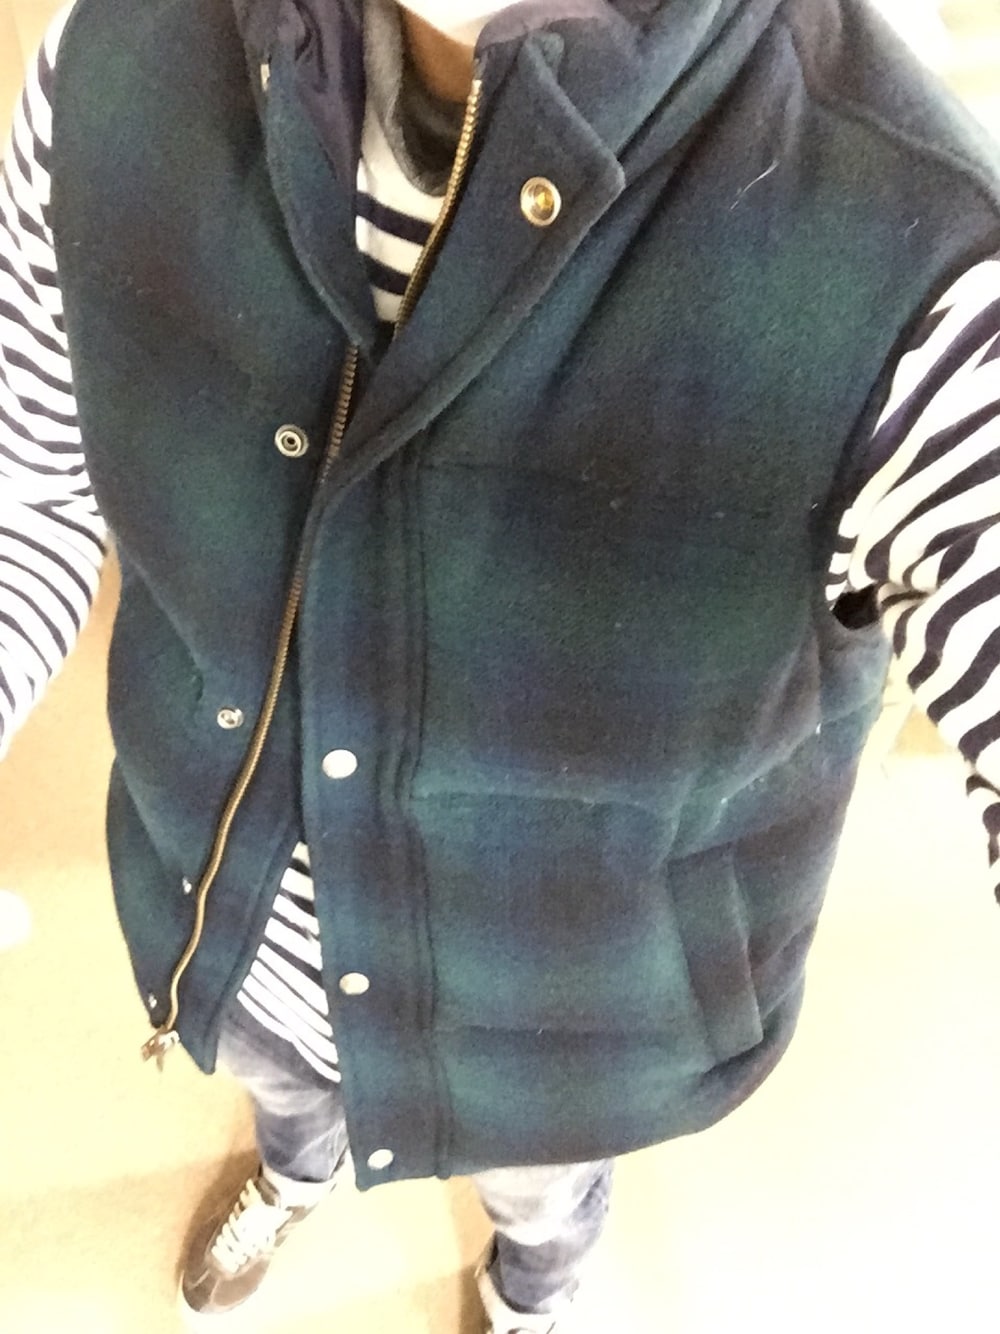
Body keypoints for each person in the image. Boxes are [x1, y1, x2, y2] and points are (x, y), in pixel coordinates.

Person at [3, 0, 1000, 1329]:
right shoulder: (112, 59)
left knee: (541, 1191)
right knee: (287, 1090)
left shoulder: (925, 261)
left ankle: (538, 1283)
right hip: (230, 928)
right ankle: (300, 1168)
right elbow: (28, 482)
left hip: (559, 1028)